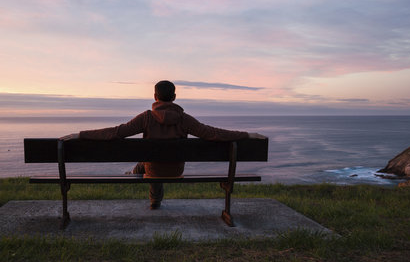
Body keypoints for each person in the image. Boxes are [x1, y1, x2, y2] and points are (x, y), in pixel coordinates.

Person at [60, 80, 265, 209]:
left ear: (155, 97)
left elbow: (116, 132)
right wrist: (247, 134)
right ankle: (138, 174)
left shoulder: (146, 118)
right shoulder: (184, 119)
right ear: (174, 97)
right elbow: (212, 133)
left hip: (154, 169)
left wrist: (80, 134)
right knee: (153, 160)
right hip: (176, 169)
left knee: (149, 162)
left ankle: (151, 197)